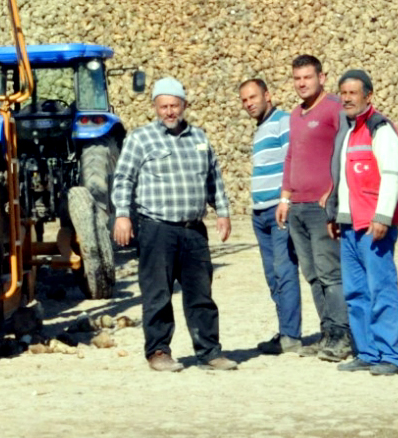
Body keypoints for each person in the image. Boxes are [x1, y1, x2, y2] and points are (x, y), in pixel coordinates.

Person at [112, 77, 237, 373]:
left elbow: (213, 178)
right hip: (157, 229)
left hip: (193, 230)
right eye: (163, 106)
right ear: (155, 107)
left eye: (174, 105)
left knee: (201, 294)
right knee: (158, 294)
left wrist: (222, 211)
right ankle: (158, 352)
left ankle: (209, 351)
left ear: (184, 106)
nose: (169, 112)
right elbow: (123, 179)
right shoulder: (140, 139)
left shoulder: (199, 139)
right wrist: (122, 214)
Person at [325, 69, 398, 376]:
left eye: (353, 93)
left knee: (381, 289)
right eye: (343, 93)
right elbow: (342, 179)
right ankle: (367, 351)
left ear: (368, 96)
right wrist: (334, 215)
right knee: (356, 292)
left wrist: (383, 216)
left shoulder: (380, 129)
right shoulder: (349, 132)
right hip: (349, 226)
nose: (346, 98)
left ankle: (391, 355)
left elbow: (392, 175)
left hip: (373, 226)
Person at [275, 54, 352, 360]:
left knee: (330, 273)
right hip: (298, 207)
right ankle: (327, 333)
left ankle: (342, 336)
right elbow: (292, 156)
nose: (302, 83)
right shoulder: (296, 114)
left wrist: (334, 189)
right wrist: (285, 197)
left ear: (322, 77)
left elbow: (347, 148)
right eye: (297, 78)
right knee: (312, 274)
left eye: (307, 77)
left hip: (322, 208)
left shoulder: (334, 108)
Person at [238, 78, 299, 355]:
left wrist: (285, 200)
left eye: (253, 97)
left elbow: (292, 160)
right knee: (272, 275)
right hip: (260, 212)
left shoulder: (282, 121)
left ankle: (291, 336)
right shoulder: (261, 129)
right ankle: (284, 330)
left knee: (284, 272)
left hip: (278, 211)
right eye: (244, 100)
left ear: (268, 96)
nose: (249, 103)